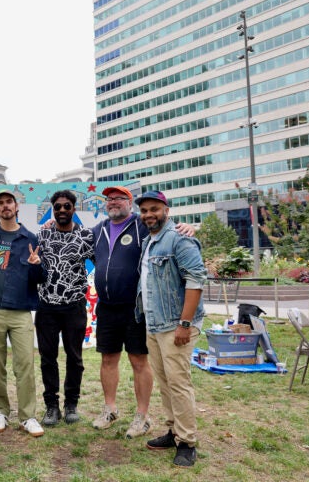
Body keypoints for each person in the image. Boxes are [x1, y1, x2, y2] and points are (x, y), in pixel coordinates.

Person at [91, 186, 193, 439]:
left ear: (129, 203)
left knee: (138, 361)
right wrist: (49, 223)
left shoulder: (142, 225)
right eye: (109, 199)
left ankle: (142, 416)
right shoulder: (98, 230)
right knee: (108, 359)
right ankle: (110, 409)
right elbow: (70, 235)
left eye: (119, 198)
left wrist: (191, 227)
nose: (113, 202)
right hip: (106, 306)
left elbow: (170, 230)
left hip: (136, 308)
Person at [135, 191, 207, 468]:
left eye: (154, 209)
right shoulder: (148, 242)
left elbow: (195, 281)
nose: (149, 214)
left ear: (166, 210)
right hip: (154, 323)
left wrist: (184, 324)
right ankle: (173, 431)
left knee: (178, 384)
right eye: (144, 210)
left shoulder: (180, 238)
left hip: (176, 325)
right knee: (165, 383)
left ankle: (187, 442)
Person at [0, 189, 46, 437]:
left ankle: (27, 417)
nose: (5, 206)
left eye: (9, 202)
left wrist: (37, 266)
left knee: (25, 365)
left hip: (20, 311)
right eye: (0, 203)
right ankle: (0, 411)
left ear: (17, 207)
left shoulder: (30, 238)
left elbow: (41, 278)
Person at [34, 190, 94, 426]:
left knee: (74, 358)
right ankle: (51, 406)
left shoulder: (86, 236)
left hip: (74, 306)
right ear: (52, 210)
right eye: (57, 207)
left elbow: (103, 261)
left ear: (73, 209)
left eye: (66, 206)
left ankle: (71, 404)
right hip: (47, 306)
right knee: (48, 358)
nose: (61, 210)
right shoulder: (43, 235)